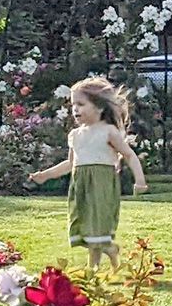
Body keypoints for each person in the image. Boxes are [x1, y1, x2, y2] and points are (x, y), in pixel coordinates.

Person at [30, 76, 146, 264]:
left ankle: (102, 258)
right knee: (84, 226)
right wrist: (45, 175)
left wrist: (139, 180)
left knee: (97, 224)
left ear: (99, 107)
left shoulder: (108, 131)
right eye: (73, 105)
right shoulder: (75, 135)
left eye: (81, 104)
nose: (75, 109)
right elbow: (70, 163)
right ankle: (102, 259)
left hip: (101, 184)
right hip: (81, 185)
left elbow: (129, 155)